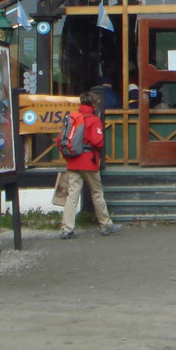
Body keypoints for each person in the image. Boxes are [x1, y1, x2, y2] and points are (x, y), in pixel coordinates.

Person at [59, 91, 122, 239]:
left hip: (73, 162)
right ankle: (106, 224)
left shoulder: (72, 118)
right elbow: (97, 141)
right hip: (89, 162)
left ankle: (67, 229)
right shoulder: (94, 120)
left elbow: (59, 141)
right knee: (97, 193)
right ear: (94, 104)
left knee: (72, 195)